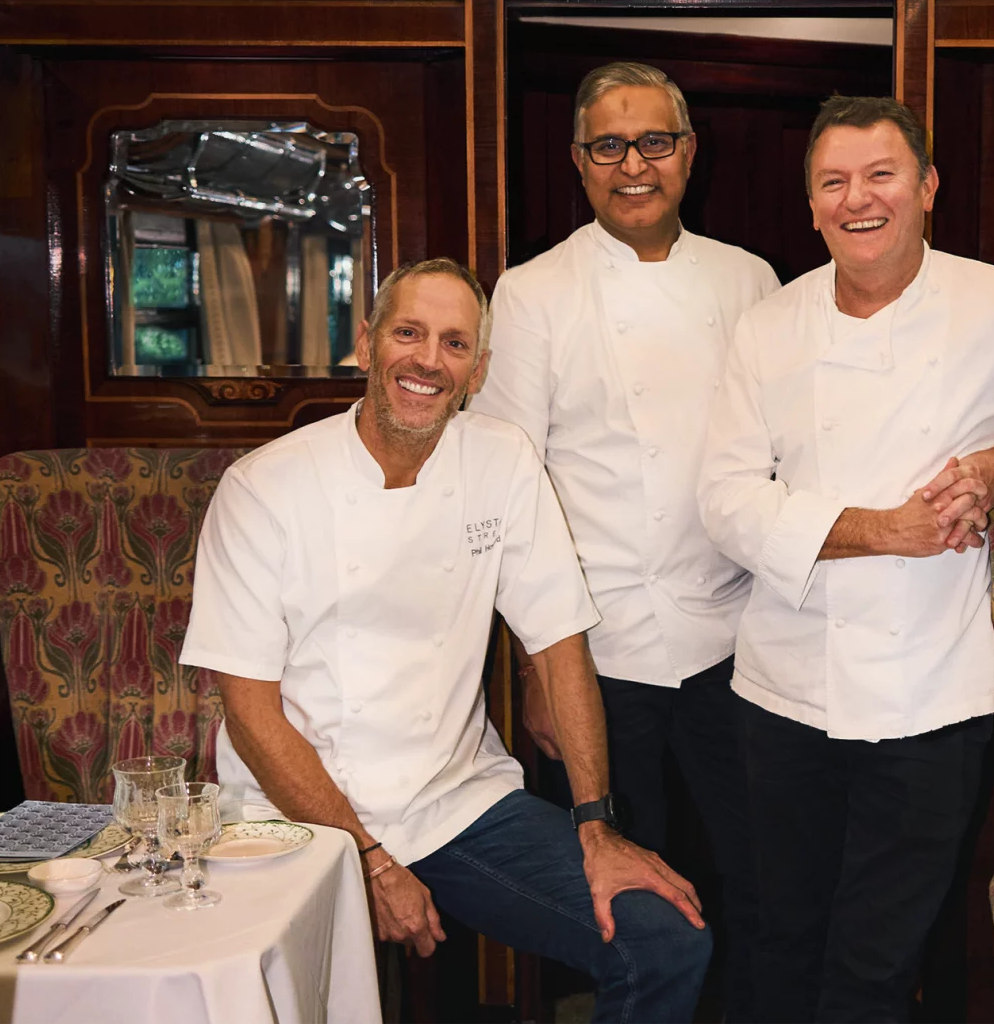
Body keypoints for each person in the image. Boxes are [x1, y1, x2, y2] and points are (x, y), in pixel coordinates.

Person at [179, 257, 711, 1024]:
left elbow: (561, 648)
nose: (429, 359)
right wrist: (367, 856)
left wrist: (597, 823)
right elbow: (252, 714)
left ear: (478, 370)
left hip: (454, 802)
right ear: (366, 344)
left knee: (664, 939)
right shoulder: (266, 487)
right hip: (290, 817)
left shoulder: (502, 460)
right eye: (408, 333)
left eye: (455, 344)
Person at [697, 95, 994, 1024]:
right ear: (811, 205)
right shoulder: (769, 326)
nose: (858, 199)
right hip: (783, 688)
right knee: (780, 937)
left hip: (932, 691)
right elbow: (724, 501)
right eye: (833, 182)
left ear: (925, 187)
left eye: (880, 175)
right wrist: (882, 529)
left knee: (878, 961)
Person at [470, 61, 776, 1022]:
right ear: (578, 160)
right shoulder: (531, 292)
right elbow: (510, 484)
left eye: (654, 141)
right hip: (596, 648)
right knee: (627, 898)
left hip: (736, 637)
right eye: (609, 145)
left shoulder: (749, 278)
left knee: (750, 873)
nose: (632, 164)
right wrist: (533, 668)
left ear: (689, 153)